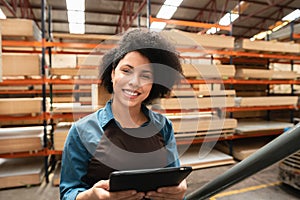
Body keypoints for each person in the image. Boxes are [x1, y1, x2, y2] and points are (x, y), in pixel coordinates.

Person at [60, 28, 187, 200]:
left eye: (145, 75)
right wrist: (90, 196)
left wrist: (178, 190)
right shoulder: (81, 131)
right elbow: (68, 193)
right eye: (126, 71)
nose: (134, 82)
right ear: (112, 74)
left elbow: (173, 177)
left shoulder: (163, 127)